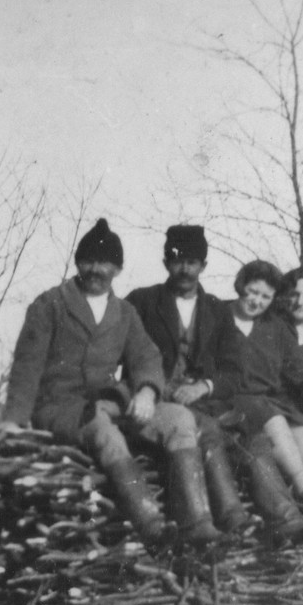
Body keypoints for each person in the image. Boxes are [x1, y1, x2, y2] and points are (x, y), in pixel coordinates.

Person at [0, 219, 221, 544]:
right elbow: (26, 368)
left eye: (105, 263)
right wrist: (14, 421)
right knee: (105, 433)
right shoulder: (50, 305)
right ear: (78, 263)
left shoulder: (125, 313)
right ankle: (154, 526)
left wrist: (146, 391)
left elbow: (146, 357)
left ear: (117, 268)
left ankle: (197, 523)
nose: (96, 269)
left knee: (179, 418)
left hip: (108, 400)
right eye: (88, 261)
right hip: (62, 407)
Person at [122, 225, 251, 533]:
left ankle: (233, 518)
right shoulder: (141, 302)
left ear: (203, 266)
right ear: (166, 263)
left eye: (192, 262)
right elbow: (120, 351)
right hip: (153, 402)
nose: (184, 269)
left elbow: (235, 371)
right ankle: (212, 521)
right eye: (177, 260)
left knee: (213, 429)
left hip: (201, 405)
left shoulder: (218, 312)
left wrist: (204, 387)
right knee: (196, 427)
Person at [212, 260, 303, 528]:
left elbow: (300, 367)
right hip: (232, 397)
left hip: (267, 399)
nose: (257, 301)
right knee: (276, 420)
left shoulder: (273, 325)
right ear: (241, 287)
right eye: (253, 292)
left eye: (265, 296)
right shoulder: (218, 315)